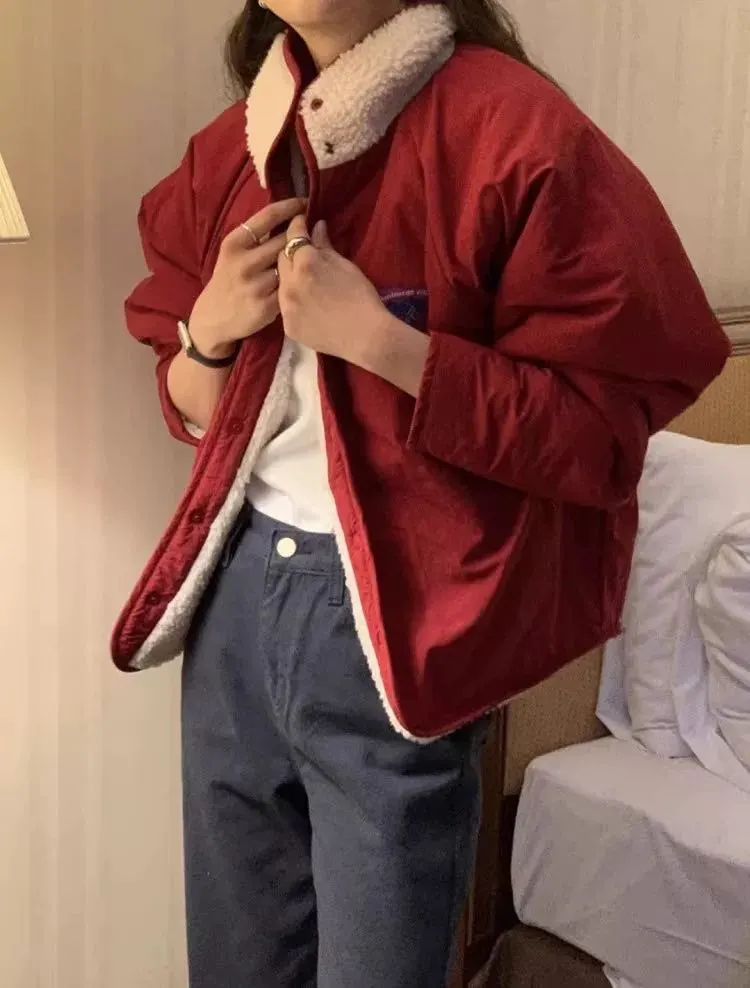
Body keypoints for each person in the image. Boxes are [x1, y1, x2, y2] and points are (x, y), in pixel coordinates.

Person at [112, 2, 730, 985]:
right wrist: (209, 333)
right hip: (233, 600)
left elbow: (597, 431)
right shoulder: (232, 153)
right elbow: (190, 400)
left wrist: (384, 344)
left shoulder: (518, 134)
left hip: (399, 626)